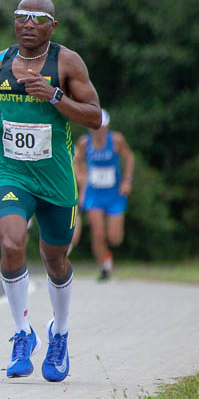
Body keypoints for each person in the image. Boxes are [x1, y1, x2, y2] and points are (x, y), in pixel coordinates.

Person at [0, 0, 101, 382]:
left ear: (53, 26)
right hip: (12, 171)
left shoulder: (66, 63)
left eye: (39, 18)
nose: (29, 24)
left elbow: (95, 116)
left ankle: (59, 333)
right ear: (14, 21)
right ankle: (21, 333)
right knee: (11, 242)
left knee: (55, 259)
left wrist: (55, 96)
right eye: (22, 16)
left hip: (56, 178)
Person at [73, 109, 134, 282]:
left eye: (102, 126)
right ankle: (104, 267)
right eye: (95, 126)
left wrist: (127, 180)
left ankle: (108, 255)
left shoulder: (116, 140)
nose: (98, 130)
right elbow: (76, 160)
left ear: (107, 127)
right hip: (94, 193)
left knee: (115, 238)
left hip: (114, 194)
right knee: (98, 233)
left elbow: (129, 157)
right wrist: (81, 176)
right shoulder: (84, 143)